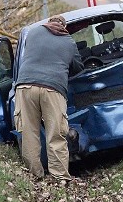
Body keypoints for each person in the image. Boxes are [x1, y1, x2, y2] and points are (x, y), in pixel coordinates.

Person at [14, 14, 84, 182]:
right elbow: (78, 67)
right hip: (52, 89)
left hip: (25, 86)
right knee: (56, 134)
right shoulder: (68, 42)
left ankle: (35, 175)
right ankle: (60, 177)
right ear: (63, 27)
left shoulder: (33, 33)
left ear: (48, 23)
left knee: (29, 132)